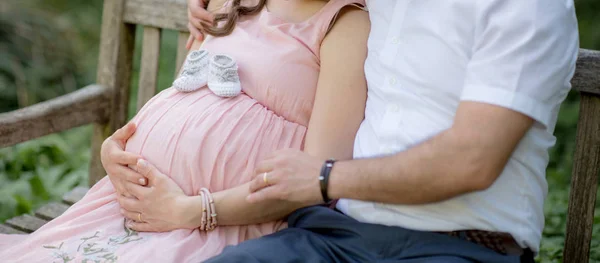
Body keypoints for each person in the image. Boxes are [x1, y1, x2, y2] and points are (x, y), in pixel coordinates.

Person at [199, 0, 579, 262]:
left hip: (462, 247)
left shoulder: (527, 9)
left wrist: (324, 176)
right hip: (336, 236)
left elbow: (472, 161)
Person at [0, 0, 370, 262]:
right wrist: (116, 151)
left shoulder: (346, 25)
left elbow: (318, 181)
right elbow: (184, 96)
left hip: (225, 224)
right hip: (130, 205)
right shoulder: (230, 3)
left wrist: (192, 211)